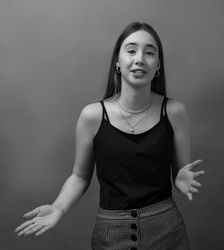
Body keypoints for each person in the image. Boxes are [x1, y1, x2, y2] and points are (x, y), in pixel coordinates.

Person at [14, 22, 205, 250]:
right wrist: (58, 208)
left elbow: (181, 173)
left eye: (150, 53)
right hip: (110, 236)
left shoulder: (174, 112)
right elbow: (80, 176)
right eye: (131, 50)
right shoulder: (92, 116)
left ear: (158, 66)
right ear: (118, 61)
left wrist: (180, 179)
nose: (140, 59)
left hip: (166, 231)